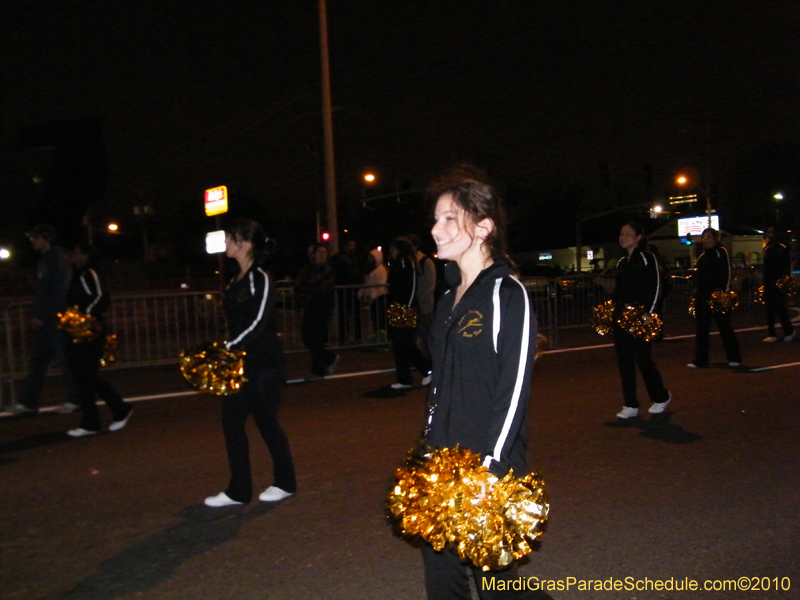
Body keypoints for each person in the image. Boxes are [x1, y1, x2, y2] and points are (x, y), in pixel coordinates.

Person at [420, 178, 551, 600]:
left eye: (449, 219)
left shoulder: (506, 294)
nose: (436, 230)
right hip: (443, 460)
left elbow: (514, 389)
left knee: (498, 587)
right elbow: (439, 384)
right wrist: (428, 443)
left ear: (483, 227)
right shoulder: (447, 299)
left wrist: (490, 467)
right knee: (441, 576)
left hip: (489, 463)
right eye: (436, 219)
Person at [205, 219, 296, 508]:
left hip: (265, 362)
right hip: (241, 364)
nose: (227, 244)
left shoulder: (261, 277)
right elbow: (236, 322)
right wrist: (225, 348)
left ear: (244, 243)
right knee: (231, 421)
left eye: (231, 238)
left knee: (266, 421)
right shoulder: (234, 280)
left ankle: (285, 482)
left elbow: (259, 321)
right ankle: (238, 490)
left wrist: (231, 345)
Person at [63, 244, 133, 437]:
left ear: (84, 255)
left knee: (85, 374)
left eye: (75, 251)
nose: (71, 255)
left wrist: (85, 317)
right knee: (83, 375)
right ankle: (116, 409)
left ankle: (95, 420)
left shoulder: (89, 273)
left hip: (90, 330)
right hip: (79, 330)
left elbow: (101, 297)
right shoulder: (77, 274)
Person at [11, 223, 81, 415]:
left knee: (66, 361)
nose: (33, 241)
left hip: (55, 319)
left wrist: (47, 315)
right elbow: (43, 291)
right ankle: (28, 402)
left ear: (46, 238)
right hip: (46, 319)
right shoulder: (46, 259)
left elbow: (58, 292)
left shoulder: (56, 259)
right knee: (37, 362)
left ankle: (76, 399)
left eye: (36, 238)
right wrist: (36, 313)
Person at [612, 222, 671, 420]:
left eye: (628, 233)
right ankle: (630, 404)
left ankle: (660, 396)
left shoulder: (648, 258)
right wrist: (612, 312)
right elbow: (618, 292)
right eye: (621, 234)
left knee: (643, 359)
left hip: (643, 317)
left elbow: (656, 286)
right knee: (625, 362)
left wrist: (650, 312)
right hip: (623, 318)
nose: (623, 237)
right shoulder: (621, 262)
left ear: (638, 237)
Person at [688, 228, 742, 368]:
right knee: (701, 329)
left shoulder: (721, 252)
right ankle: (700, 360)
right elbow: (699, 275)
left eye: (708, 237)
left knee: (725, 327)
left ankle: (734, 357)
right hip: (703, 296)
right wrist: (696, 289)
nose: (705, 239)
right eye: (703, 237)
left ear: (715, 239)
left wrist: (724, 292)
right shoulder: (702, 256)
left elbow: (727, 272)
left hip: (718, 297)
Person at [385, 236, 432, 390]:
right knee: (400, 344)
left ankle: (426, 369)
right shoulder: (402, 263)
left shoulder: (406, 263)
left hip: (404, 309)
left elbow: (410, 288)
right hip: (400, 308)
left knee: (404, 343)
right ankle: (405, 378)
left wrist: (406, 307)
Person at [294, 243, 338, 381]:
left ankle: (317, 371)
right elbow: (299, 285)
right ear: (312, 254)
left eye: (324, 252)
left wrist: (308, 288)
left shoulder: (328, 270)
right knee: (307, 338)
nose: (322, 255)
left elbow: (319, 287)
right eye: (319, 252)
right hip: (309, 306)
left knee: (317, 339)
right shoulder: (306, 270)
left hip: (322, 307)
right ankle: (329, 358)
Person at [761, 226, 795, 342]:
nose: (769, 235)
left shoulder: (782, 247)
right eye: (768, 233)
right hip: (769, 281)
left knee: (780, 307)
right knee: (769, 308)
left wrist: (785, 280)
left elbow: (785, 264)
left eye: (772, 233)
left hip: (779, 281)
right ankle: (772, 333)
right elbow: (766, 267)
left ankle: (789, 330)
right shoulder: (767, 248)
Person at [407, 233, 437, 352]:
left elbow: (429, 285)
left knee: (425, 332)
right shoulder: (409, 261)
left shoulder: (425, 261)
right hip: (414, 303)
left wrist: (419, 298)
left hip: (424, 304)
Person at [359, 247, 389, 336]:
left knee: (380, 318)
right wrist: (361, 292)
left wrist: (373, 296)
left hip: (379, 296)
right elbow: (367, 282)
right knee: (375, 318)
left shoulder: (381, 269)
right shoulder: (371, 268)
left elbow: (381, 284)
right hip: (373, 297)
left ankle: (382, 336)